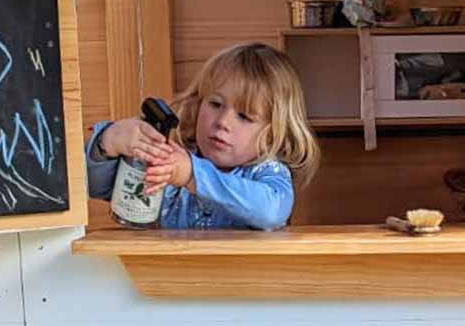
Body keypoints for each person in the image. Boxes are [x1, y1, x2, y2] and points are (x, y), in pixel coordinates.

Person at [86, 42, 320, 230]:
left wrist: (192, 175)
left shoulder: (267, 172)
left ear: (273, 134)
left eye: (245, 116)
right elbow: (96, 188)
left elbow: (270, 211)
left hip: (246, 286)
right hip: (169, 283)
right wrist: (108, 142)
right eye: (215, 104)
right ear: (198, 104)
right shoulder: (174, 164)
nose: (222, 122)